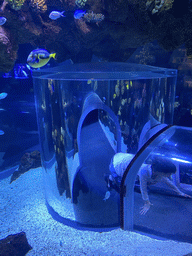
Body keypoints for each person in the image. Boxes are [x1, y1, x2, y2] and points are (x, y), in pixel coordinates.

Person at [104, 153, 191, 215]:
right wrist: (147, 202)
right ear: (161, 172)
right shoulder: (144, 171)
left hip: (127, 161)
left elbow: (168, 182)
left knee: (146, 180)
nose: (170, 176)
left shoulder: (158, 172)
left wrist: (180, 193)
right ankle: (109, 178)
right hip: (117, 164)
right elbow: (143, 188)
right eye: (169, 173)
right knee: (121, 185)